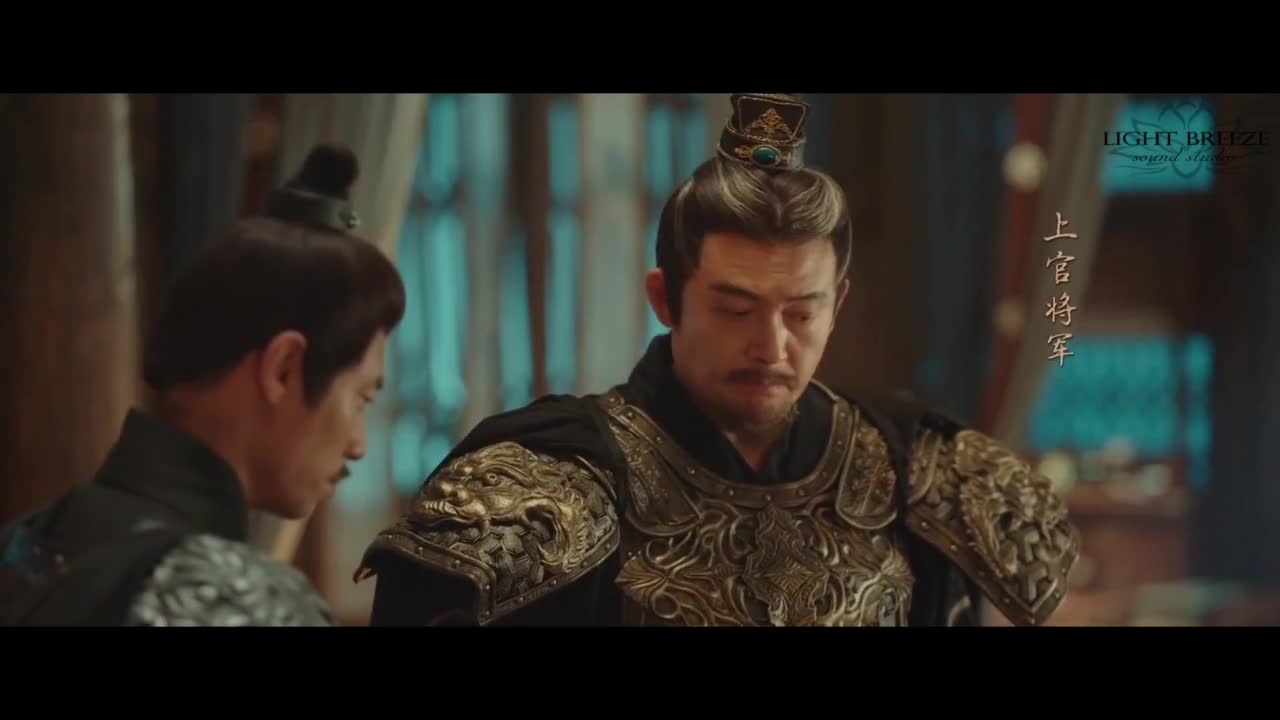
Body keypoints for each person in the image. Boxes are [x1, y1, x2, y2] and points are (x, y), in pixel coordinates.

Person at [357, 94, 1080, 627]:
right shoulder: (552, 479)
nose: (771, 346)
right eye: (735, 310)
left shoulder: (904, 468)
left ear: (838, 304)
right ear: (665, 298)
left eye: (801, 313)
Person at [0, 144, 406, 626]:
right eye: (361, 397)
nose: (359, 445)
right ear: (282, 368)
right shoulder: (245, 601)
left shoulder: (25, 541)